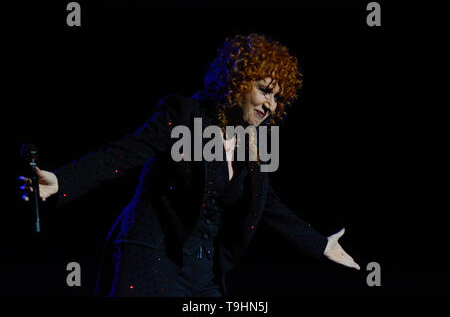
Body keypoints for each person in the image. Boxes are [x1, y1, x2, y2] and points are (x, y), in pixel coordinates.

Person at [19, 33, 360, 297]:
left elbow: (267, 203)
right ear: (238, 80)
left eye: (278, 97)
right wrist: (62, 181)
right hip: (151, 258)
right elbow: (123, 154)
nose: (271, 104)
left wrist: (320, 243)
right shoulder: (184, 116)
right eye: (264, 91)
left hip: (203, 272)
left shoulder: (255, 142)